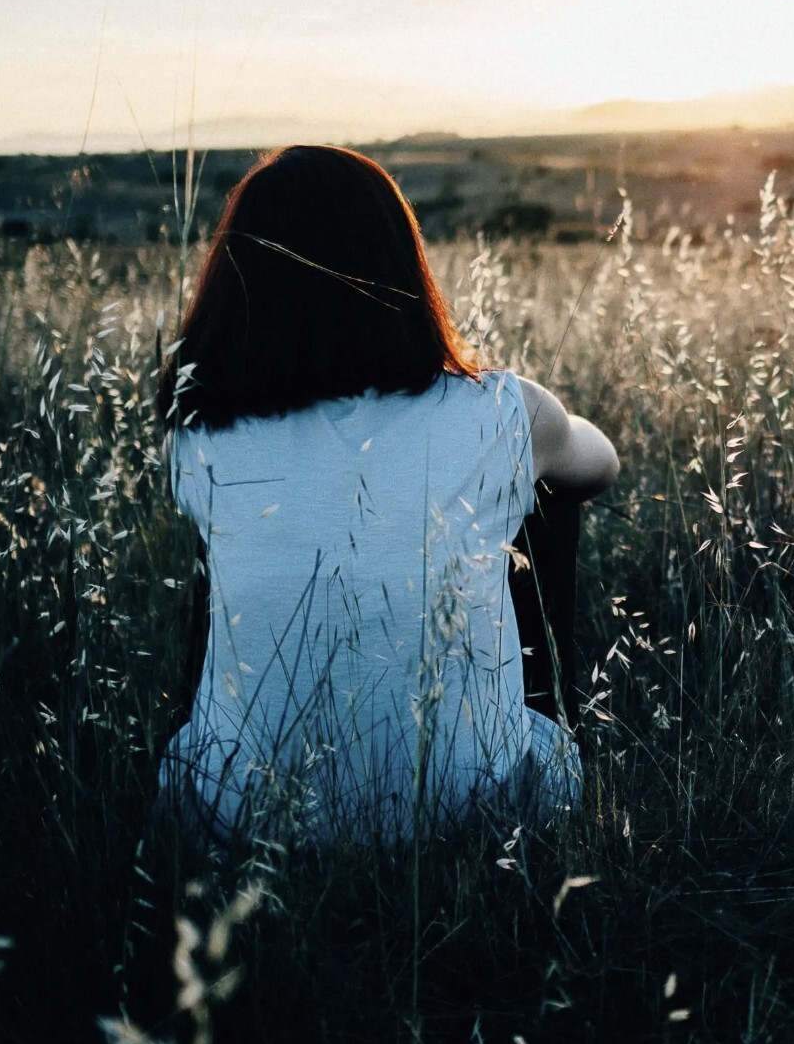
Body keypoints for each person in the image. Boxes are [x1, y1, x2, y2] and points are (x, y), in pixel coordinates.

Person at [154, 145, 618, 848]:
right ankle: (538, 731)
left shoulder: (199, 428)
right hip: (472, 810)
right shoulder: (501, 410)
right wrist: (535, 429)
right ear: (401, 265)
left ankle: (245, 740)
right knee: (543, 498)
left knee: (232, 534)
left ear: (238, 277)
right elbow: (599, 466)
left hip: (244, 815)